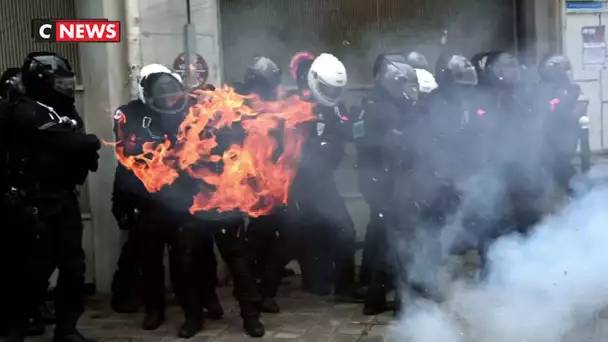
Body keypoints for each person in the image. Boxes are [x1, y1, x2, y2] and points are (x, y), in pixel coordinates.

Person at [3, 52, 100, 342]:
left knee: (73, 266)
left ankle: (67, 328)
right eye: (59, 81)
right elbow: (64, 140)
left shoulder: (64, 110)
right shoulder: (24, 110)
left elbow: (76, 144)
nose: (67, 86)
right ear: (42, 82)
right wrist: (87, 142)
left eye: (67, 81)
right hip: (33, 201)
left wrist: (82, 146)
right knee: (32, 269)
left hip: (63, 198)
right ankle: (15, 328)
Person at [112, 63, 211, 338]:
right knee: (150, 261)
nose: (169, 101)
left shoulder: (189, 112)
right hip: (147, 201)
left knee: (185, 261)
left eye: (172, 95)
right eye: (162, 96)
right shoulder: (129, 113)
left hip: (181, 202)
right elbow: (127, 157)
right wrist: (123, 203)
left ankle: (193, 315)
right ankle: (154, 310)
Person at [354, 53, 420, 315]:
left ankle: (375, 299)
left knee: (385, 240)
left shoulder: (383, 102)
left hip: (381, 181)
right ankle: (402, 304)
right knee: (397, 242)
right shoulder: (381, 107)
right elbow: (391, 146)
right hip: (384, 182)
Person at [290, 53, 357, 300]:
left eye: (334, 88)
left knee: (343, 230)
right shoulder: (296, 105)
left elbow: (346, 128)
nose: (330, 92)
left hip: (324, 179)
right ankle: (314, 280)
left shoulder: (336, 105)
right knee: (307, 231)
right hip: (300, 182)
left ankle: (344, 286)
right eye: (326, 88)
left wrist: (354, 126)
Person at [233, 56, 291, 313]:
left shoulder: (279, 104)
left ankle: (267, 290)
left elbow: (286, 140)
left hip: (278, 179)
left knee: (282, 237)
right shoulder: (237, 103)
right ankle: (255, 291)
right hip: (250, 181)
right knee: (257, 237)